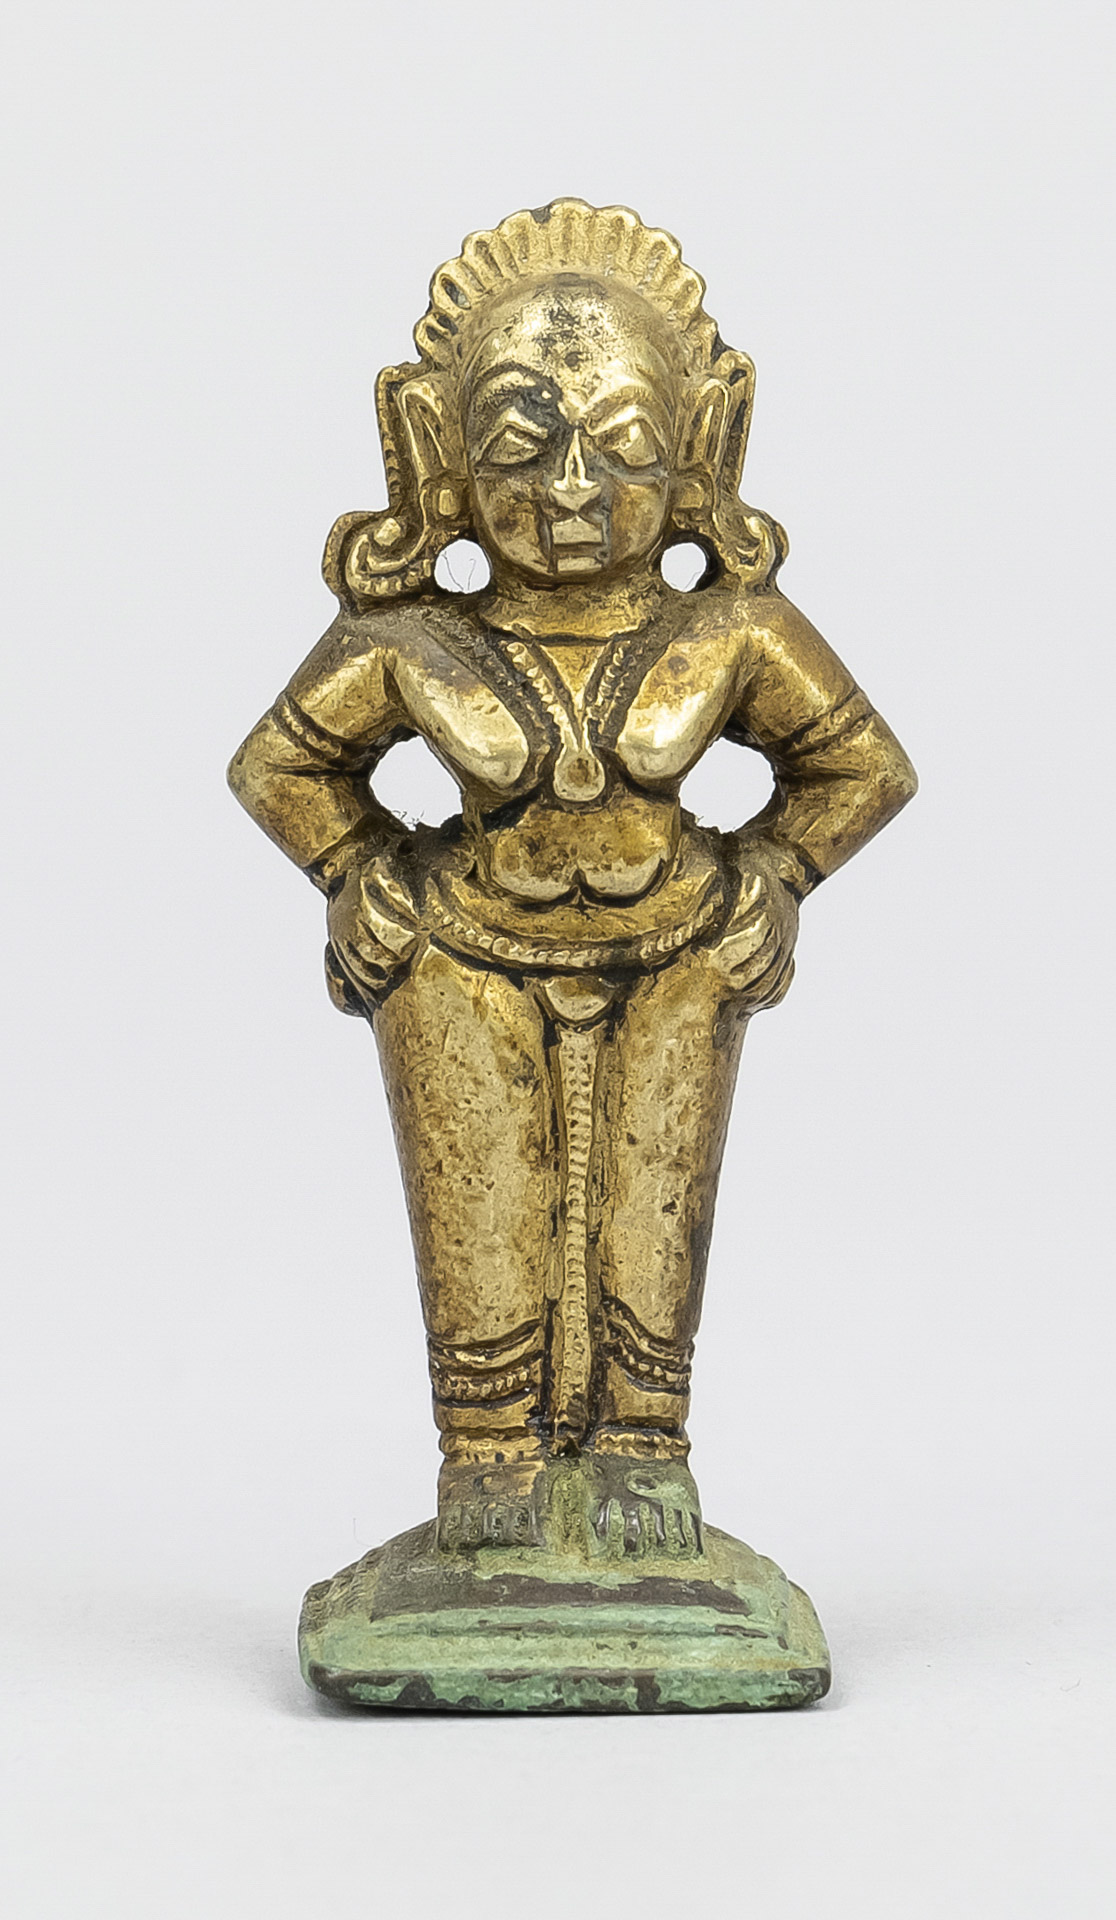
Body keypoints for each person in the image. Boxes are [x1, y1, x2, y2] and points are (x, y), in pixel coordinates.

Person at [229, 200, 917, 1555]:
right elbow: (280, 767)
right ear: (434, 452)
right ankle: (488, 1459)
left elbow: (862, 769)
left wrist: (775, 875)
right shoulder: (408, 637)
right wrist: (357, 872)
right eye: (519, 446)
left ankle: (641, 1457)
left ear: (705, 447)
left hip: (680, 946)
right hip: (454, 951)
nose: (571, 492)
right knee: (479, 1219)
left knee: (649, 1231)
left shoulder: (733, 629)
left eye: (624, 446)